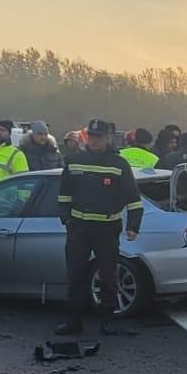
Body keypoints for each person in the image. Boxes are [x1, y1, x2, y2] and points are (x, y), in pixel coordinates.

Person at [55, 118, 144, 335]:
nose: (95, 141)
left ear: (108, 138)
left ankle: (107, 321)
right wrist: (66, 219)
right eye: (92, 136)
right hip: (79, 228)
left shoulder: (118, 164)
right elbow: (64, 193)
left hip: (107, 228)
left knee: (107, 277)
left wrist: (133, 225)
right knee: (75, 275)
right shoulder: (74, 160)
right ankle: (74, 321)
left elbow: (133, 197)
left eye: (99, 137)